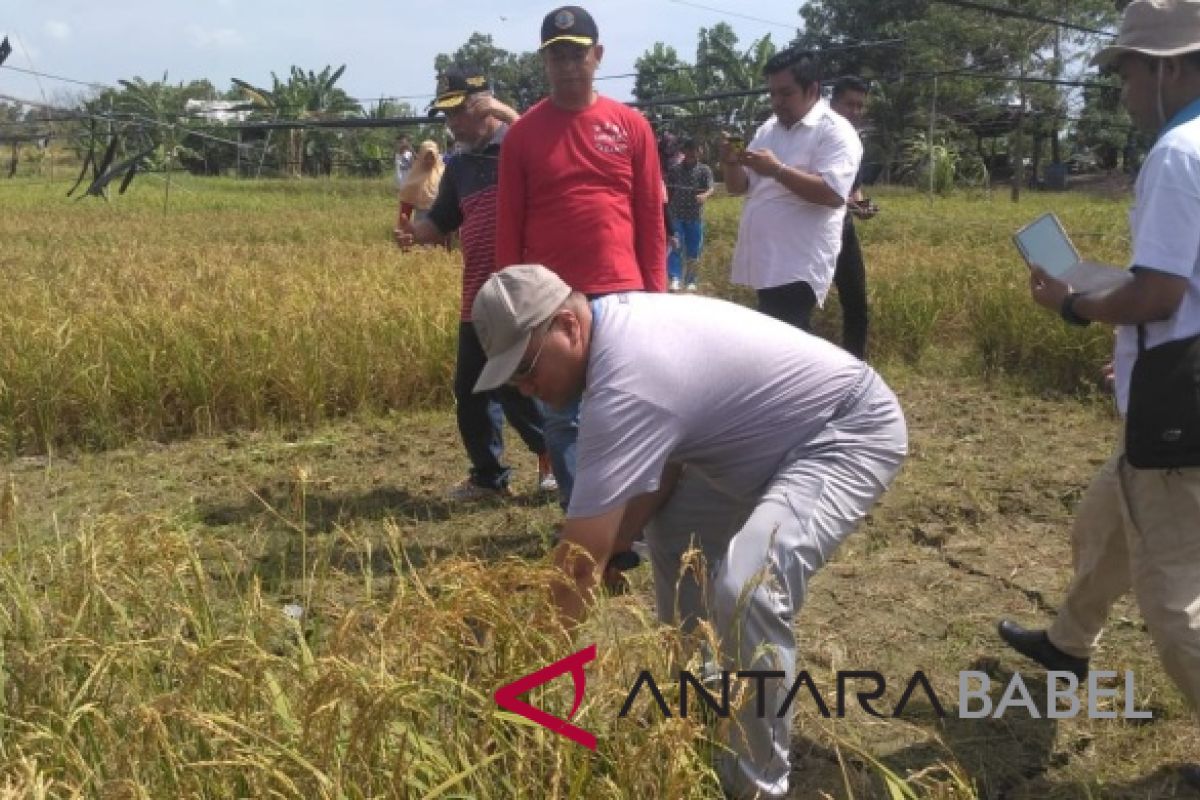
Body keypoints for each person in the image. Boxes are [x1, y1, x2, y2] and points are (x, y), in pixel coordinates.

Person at [472, 264, 907, 800]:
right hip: (761, 445)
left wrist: (520, 675)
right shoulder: (616, 332)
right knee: (677, 538)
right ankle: (699, 709)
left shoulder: (627, 375)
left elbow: (578, 565)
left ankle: (757, 784)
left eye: (528, 366)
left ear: (566, 325)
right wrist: (617, 546)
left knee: (749, 587)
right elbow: (662, 471)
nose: (527, 387)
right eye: (512, 379)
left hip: (844, 428)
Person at [996, 0, 1200, 788]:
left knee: (1173, 595)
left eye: (1125, 73)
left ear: (1169, 68)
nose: (1121, 91)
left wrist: (1077, 304)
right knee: (1104, 518)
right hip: (1174, 377)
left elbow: (1157, 294)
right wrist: (1138, 344)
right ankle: (1069, 643)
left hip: (1179, 401)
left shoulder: (1176, 156)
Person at [495, 4, 666, 508]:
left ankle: (627, 523)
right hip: (550, 301)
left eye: (577, 54)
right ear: (544, 62)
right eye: (557, 56)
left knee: (625, 410)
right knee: (561, 416)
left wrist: (654, 296)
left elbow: (649, 220)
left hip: (621, 290)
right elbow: (510, 224)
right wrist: (512, 307)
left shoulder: (630, 126)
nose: (568, 64)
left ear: (598, 55)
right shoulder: (523, 135)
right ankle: (581, 519)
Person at [393, 67, 556, 500]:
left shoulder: (520, 146)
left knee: (518, 384)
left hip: (523, 293)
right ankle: (488, 476)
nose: (451, 125)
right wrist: (416, 234)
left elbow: (552, 149)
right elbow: (443, 222)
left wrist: (506, 112)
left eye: (458, 114)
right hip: (478, 295)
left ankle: (551, 457)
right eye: (446, 117)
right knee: (470, 391)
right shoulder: (459, 165)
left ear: (481, 107)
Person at [722, 47, 862, 331]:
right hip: (766, 261)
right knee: (782, 345)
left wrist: (778, 170)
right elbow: (739, 186)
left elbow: (833, 194)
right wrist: (730, 160)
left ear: (812, 89)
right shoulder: (769, 129)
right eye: (772, 93)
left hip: (798, 264)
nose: (777, 102)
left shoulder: (835, 131)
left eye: (786, 93)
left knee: (782, 345)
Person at [829, 75, 877, 359]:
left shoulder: (855, 142)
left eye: (860, 106)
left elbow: (854, 189)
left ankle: (854, 365)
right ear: (832, 102)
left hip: (842, 229)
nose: (855, 112)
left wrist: (861, 206)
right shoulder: (816, 137)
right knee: (806, 300)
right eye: (850, 104)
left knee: (856, 300)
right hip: (811, 233)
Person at [665, 137, 714, 292]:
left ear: (699, 152)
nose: (692, 153)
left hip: (694, 216)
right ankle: (675, 278)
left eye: (695, 149)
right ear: (684, 151)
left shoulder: (705, 170)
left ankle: (691, 280)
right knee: (675, 247)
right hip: (676, 214)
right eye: (689, 149)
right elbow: (668, 190)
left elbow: (711, 188)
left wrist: (704, 196)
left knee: (694, 250)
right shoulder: (675, 170)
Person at [397, 140, 444, 226]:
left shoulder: (444, 174)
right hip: (422, 224)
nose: (429, 161)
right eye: (426, 157)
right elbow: (405, 208)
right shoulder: (414, 178)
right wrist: (403, 228)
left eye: (432, 157)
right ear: (421, 157)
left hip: (442, 222)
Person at [393, 134, 414, 222]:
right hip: (403, 186)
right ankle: (403, 227)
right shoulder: (397, 155)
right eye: (399, 142)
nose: (401, 144)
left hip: (412, 185)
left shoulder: (410, 154)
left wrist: (411, 149)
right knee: (405, 209)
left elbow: (418, 161)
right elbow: (398, 172)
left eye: (403, 142)